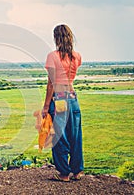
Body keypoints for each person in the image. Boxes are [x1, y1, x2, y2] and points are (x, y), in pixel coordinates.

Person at [42, 24, 84, 182]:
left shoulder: (52, 56)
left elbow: (51, 83)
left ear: (56, 38)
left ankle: (64, 173)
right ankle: (77, 171)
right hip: (73, 99)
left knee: (59, 138)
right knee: (75, 136)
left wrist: (46, 106)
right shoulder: (77, 56)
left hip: (59, 99)